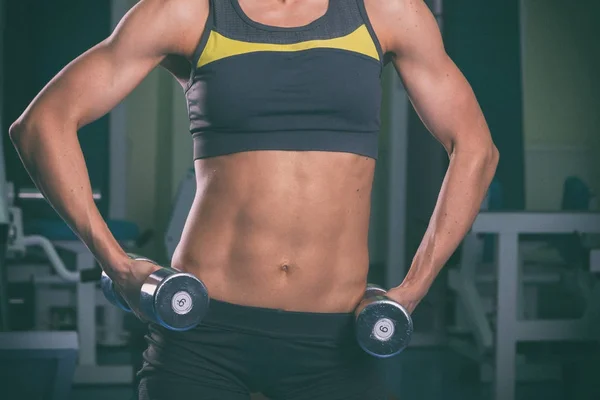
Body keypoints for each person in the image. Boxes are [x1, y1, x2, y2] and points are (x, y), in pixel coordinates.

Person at [9, 0, 499, 399]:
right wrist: (117, 264)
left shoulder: (387, 12)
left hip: (335, 345)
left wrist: (413, 290)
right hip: (204, 337)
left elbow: (476, 148)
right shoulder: (187, 12)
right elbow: (41, 125)